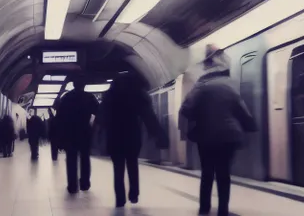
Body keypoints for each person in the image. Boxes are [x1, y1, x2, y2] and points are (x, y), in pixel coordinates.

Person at [179, 45, 257, 216]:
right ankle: (223, 210)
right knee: (223, 174)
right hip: (229, 136)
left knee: (207, 173)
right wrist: (250, 125)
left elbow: (186, 109)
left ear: (206, 69)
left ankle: (204, 208)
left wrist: (198, 116)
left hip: (206, 136)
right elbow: (241, 109)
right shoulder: (230, 85)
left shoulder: (200, 85)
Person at [100, 72, 169, 208]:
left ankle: (120, 198)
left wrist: (99, 134)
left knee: (118, 168)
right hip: (132, 134)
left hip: (114, 136)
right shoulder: (138, 95)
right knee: (132, 164)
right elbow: (149, 116)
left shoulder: (109, 96)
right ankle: (134, 194)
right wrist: (158, 135)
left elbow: (102, 117)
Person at [56, 73, 100, 194]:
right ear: (84, 85)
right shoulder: (89, 97)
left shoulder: (66, 97)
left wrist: (60, 135)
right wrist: (94, 126)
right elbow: (99, 113)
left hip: (70, 132)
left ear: (73, 85)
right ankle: (85, 183)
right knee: (85, 158)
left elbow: (59, 117)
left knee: (71, 158)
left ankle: (72, 185)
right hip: (85, 131)